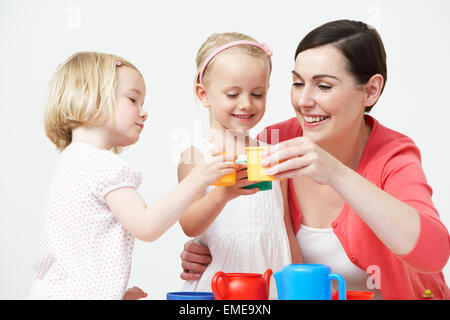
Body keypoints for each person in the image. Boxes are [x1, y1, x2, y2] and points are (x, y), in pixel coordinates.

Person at [179, 20, 450, 300]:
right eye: (297, 83)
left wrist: (336, 173)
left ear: (370, 91)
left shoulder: (392, 154)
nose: (304, 100)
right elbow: (241, 221)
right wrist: (211, 250)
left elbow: (433, 255)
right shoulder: (274, 144)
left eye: (323, 86)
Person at [29, 52, 237, 299]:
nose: (144, 111)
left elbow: (75, 255)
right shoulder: (101, 165)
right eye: (133, 99)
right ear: (90, 98)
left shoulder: (73, 160)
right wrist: (198, 178)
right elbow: (147, 225)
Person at [177, 32, 302, 299]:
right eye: (233, 94)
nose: (246, 104)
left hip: (272, 281)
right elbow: (189, 224)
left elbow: (285, 228)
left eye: (258, 93)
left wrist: (300, 282)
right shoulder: (196, 156)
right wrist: (224, 193)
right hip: (222, 283)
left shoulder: (272, 155)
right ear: (204, 94)